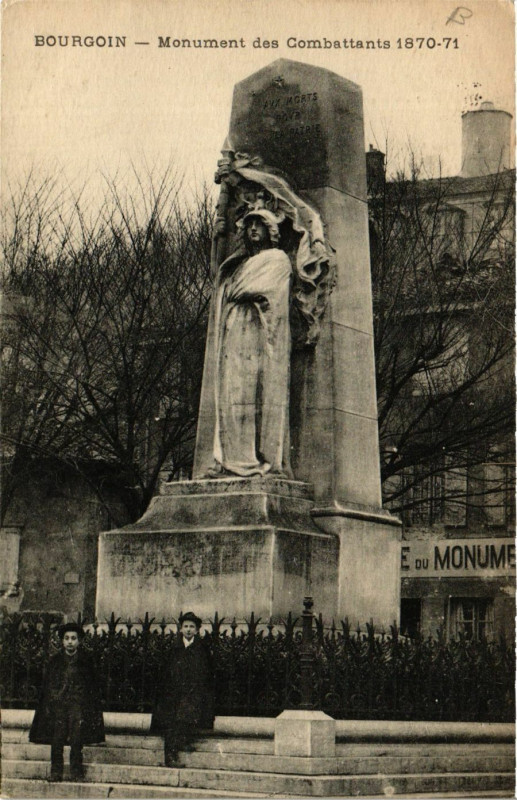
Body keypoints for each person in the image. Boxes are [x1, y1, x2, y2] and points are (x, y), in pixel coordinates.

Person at [210, 207, 293, 478]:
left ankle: (251, 458)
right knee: (232, 394)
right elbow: (224, 285)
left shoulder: (277, 259)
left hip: (258, 332)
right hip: (233, 330)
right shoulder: (241, 263)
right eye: (249, 225)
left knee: (251, 394)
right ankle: (231, 458)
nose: (253, 229)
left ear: (271, 231)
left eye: (259, 223)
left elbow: (251, 289)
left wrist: (236, 291)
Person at [29, 622, 105, 782]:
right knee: (57, 738)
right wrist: (53, 701)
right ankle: (56, 771)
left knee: (77, 738)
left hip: (78, 706)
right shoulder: (55, 662)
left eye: (74, 638)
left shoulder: (86, 662)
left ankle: (76, 771)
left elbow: (92, 686)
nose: (70, 641)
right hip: (59, 706)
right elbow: (48, 685)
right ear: (62, 641)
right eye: (67, 638)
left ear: (79, 641)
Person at [151, 611, 214, 768]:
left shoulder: (201, 649)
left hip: (192, 692)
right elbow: (166, 671)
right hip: (173, 693)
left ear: (197, 630)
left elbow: (205, 672)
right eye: (185, 626)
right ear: (180, 629)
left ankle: (183, 741)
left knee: (186, 716)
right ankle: (170, 755)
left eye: (192, 627)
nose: (188, 630)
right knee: (172, 722)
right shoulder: (174, 648)